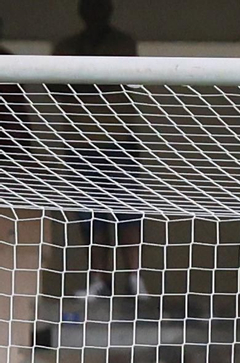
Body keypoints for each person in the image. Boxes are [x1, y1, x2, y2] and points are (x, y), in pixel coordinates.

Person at [54, 0, 147, 298]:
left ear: (109, 11)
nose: (95, 13)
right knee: (89, 215)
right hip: (81, 143)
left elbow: (119, 82)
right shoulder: (66, 46)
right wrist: (89, 84)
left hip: (120, 141)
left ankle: (135, 279)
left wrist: (84, 83)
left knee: (128, 211)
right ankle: (99, 281)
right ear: (82, 12)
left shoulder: (123, 43)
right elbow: (57, 86)